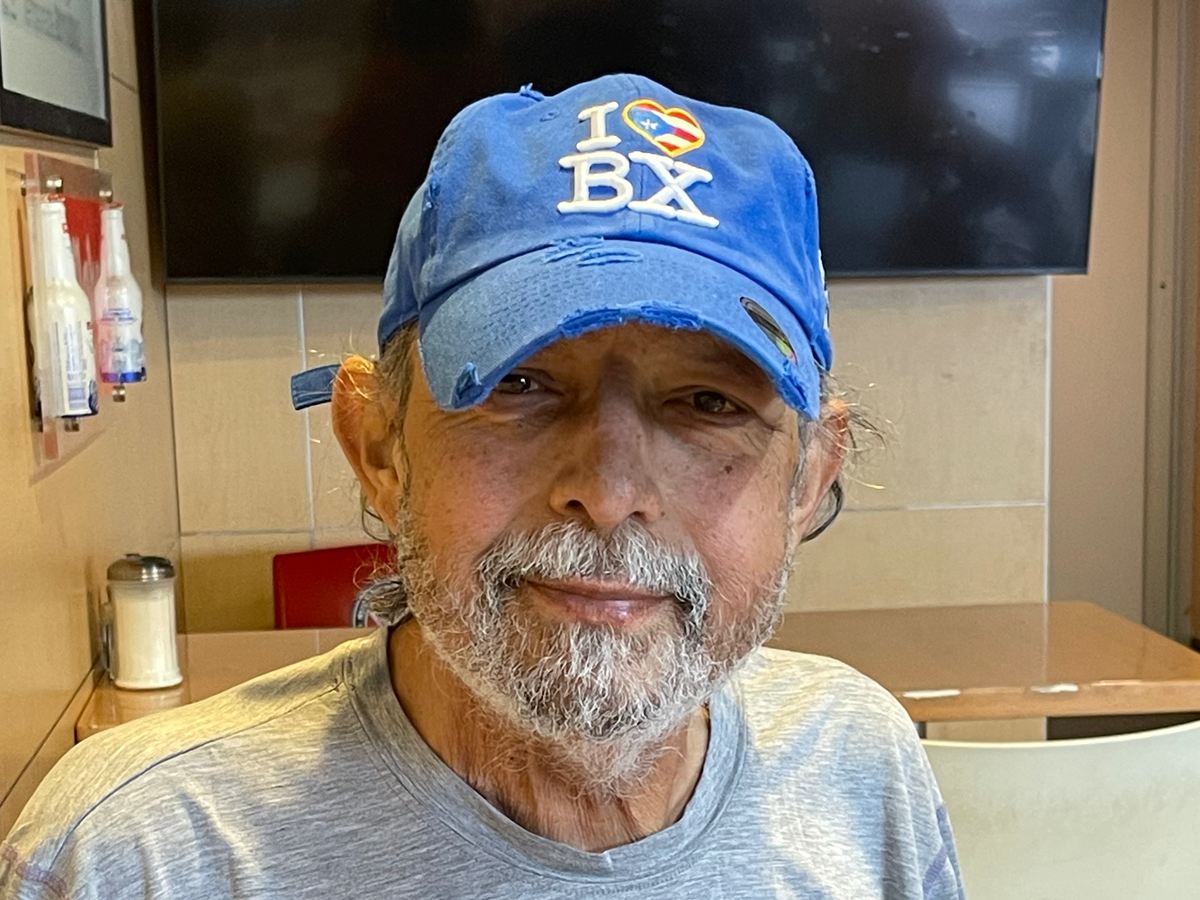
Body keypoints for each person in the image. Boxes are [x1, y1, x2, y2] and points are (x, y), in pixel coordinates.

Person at [1, 74, 964, 899]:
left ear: (808, 481)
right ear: (379, 447)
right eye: (520, 385)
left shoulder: (861, 769)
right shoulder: (137, 855)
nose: (610, 492)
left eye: (709, 403)